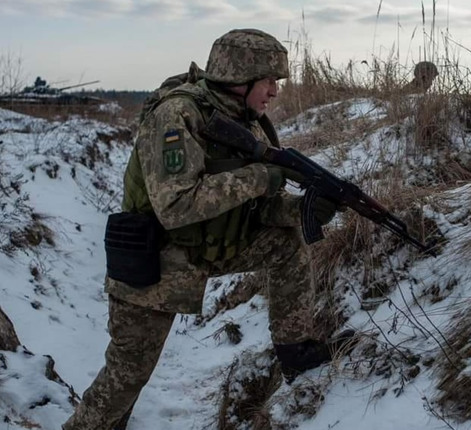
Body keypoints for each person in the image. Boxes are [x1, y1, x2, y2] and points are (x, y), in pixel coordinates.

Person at [63, 28, 351, 430]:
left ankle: (296, 350)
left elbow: (256, 206)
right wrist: (261, 177)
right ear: (241, 77)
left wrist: (302, 210)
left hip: (206, 250)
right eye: (269, 81)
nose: (274, 91)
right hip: (154, 261)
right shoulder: (176, 116)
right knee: (127, 376)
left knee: (286, 244)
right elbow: (177, 206)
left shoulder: (244, 120)